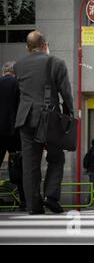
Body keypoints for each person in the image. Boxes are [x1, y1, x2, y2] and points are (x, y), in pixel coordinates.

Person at [14, 31, 74, 214]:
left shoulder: (18, 66)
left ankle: (33, 205)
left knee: (30, 165)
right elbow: (65, 92)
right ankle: (51, 196)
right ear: (45, 45)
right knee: (56, 158)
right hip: (50, 118)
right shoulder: (56, 62)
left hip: (25, 118)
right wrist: (70, 113)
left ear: (27, 47)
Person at [0, 61, 26, 209]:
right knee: (19, 166)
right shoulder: (19, 84)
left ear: (4, 72)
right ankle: (24, 200)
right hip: (15, 132)